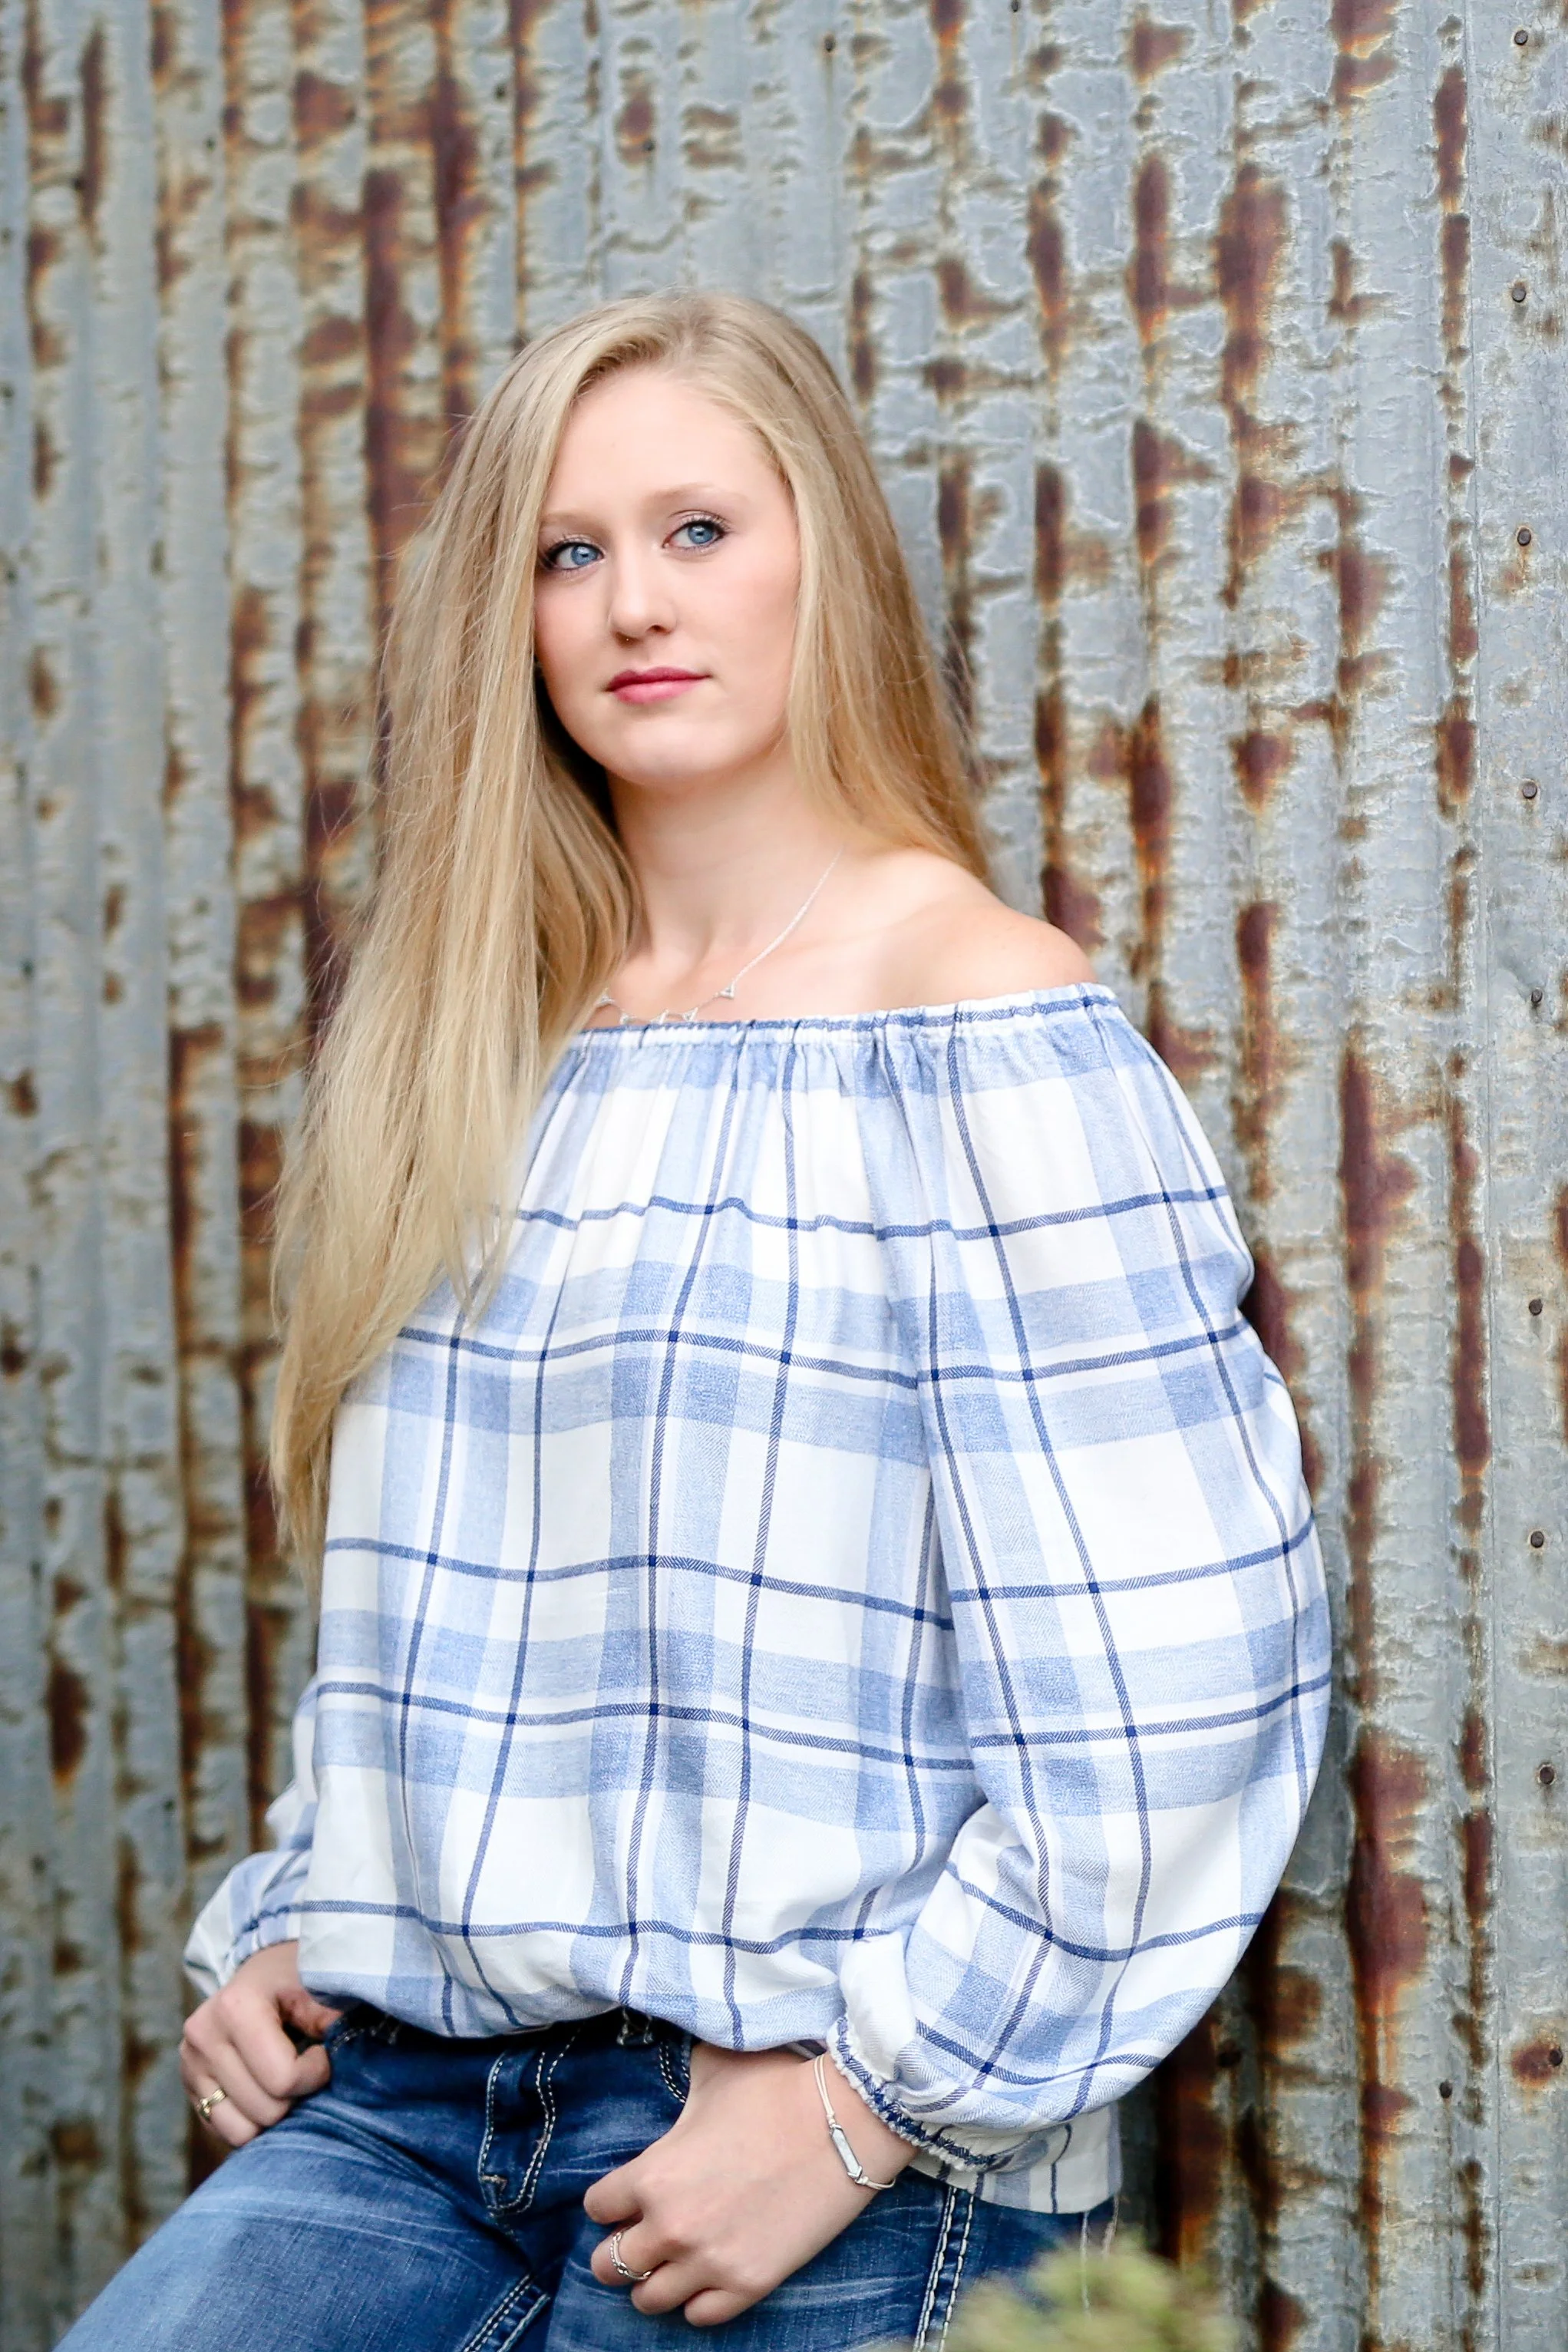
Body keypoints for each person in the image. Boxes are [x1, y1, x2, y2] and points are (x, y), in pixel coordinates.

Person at [62, 291, 1329, 2350]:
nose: (632, 602)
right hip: (393, 2111)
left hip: (803, 2145)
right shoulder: (480, 1042)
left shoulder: (975, 1022)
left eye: (699, 531)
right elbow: (443, 1609)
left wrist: (862, 2104)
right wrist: (291, 1911)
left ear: (824, 552)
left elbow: (1179, 1686)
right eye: (567, 552)